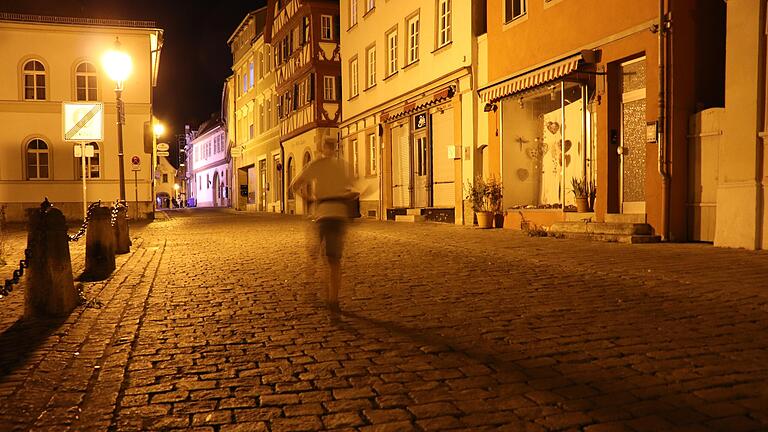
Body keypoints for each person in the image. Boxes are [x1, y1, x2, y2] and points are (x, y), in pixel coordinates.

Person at [290, 138, 355, 314]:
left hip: (322, 214)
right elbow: (351, 189)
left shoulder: (316, 165)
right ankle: (333, 298)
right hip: (339, 214)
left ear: (321, 148)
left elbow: (295, 185)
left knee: (314, 254)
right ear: (336, 148)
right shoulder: (344, 165)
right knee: (334, 260)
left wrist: (308, 198)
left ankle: (311, 286)